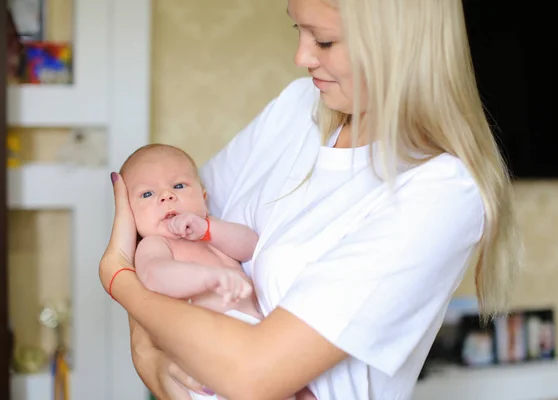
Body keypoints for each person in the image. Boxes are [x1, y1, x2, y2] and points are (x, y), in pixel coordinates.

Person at [99, 0, 523, 398]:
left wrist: (120, 283)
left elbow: (252, 374)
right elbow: (156, 231)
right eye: (297, 29)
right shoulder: (296, 108)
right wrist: (149, 355)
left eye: (323, 40)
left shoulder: (440, 191)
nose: (301, 57)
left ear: (395, 44)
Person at [119, 144, 316, 400]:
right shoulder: (155, 245)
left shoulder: (210, 236)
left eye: (178, 186)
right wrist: (206, 277)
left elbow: (250, 246)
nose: (166, 196)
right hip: (210, 356)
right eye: (147, 194)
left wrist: (208, 229)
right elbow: (156, 276)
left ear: (203, 197)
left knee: (303, 388)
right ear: (129, 217)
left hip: (256, 342)